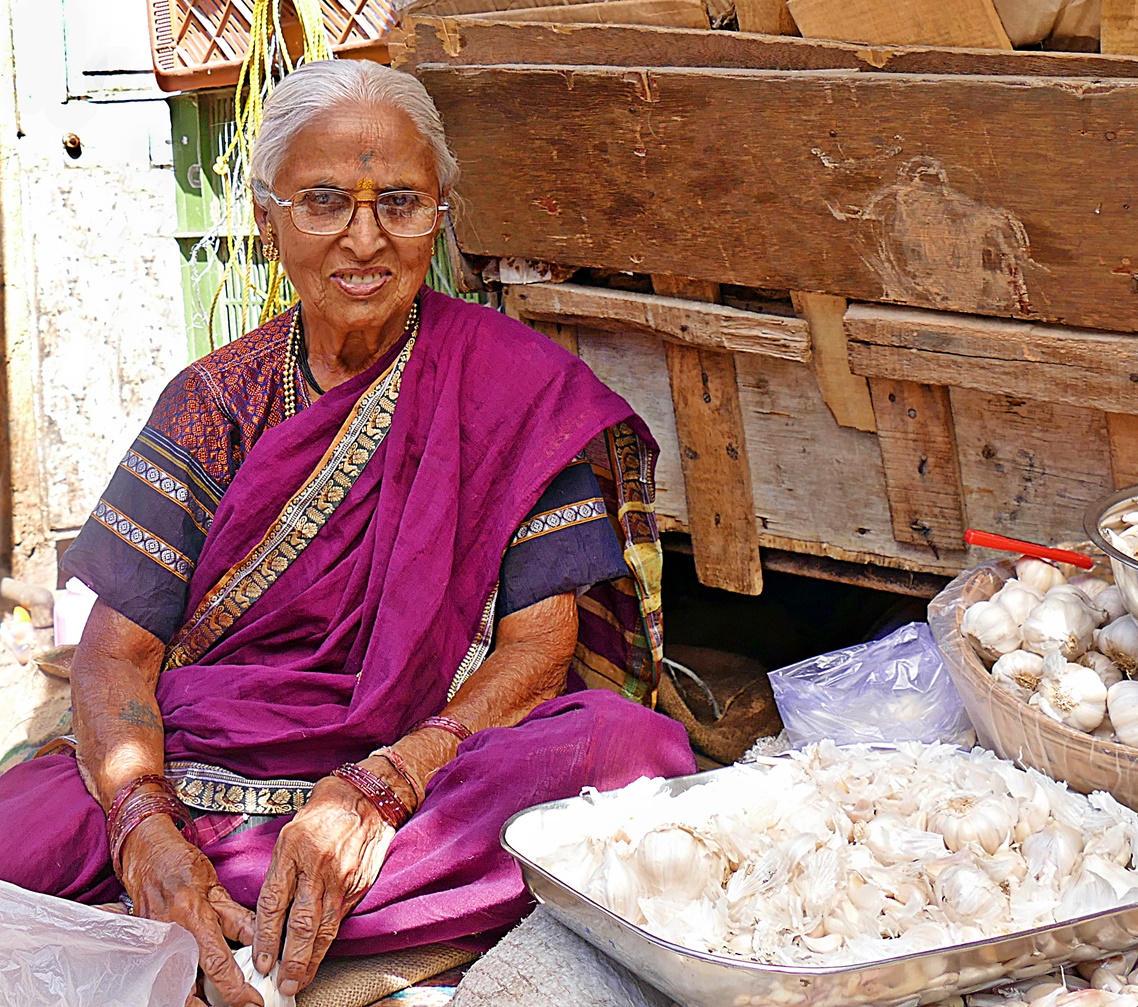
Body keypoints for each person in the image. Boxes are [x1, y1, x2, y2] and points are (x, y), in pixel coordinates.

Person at [0, 60, 695, 1006]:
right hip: (208, 772)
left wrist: (379, 789)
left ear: (440, 215)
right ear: (267, 218)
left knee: (623, 748)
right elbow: (113, 658)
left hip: (423, 770)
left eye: (400, 202)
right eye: (325, 201)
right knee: (32, 818)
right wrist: (148, 836)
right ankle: (220, 898)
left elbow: (539, 648)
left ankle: (249, 913)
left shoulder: (514, 387)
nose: (365, 238)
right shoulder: (214, 401)